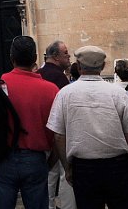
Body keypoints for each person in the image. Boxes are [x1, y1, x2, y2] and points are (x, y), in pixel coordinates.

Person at [47, 45, 128, 209]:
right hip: (118, 167)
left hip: (84, 168)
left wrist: (67, 168)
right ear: (102, 66)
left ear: (79, 67)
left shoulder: (65, 94)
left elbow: (58, 136)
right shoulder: (118, 94)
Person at [0, 35, 59, 209]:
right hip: (35, 158)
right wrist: (51, 160)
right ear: (35, 58)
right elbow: (58, 132)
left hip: (3, 157)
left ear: (11, 57)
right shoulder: (51, 90)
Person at [40, 40, 75, 209]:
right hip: (60, 134)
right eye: (65, 53)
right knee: (66, 175)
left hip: (43, 134)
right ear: (55, 56)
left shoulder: (38, 74)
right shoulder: (59, 78)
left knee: (48, 178)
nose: (69, 56)